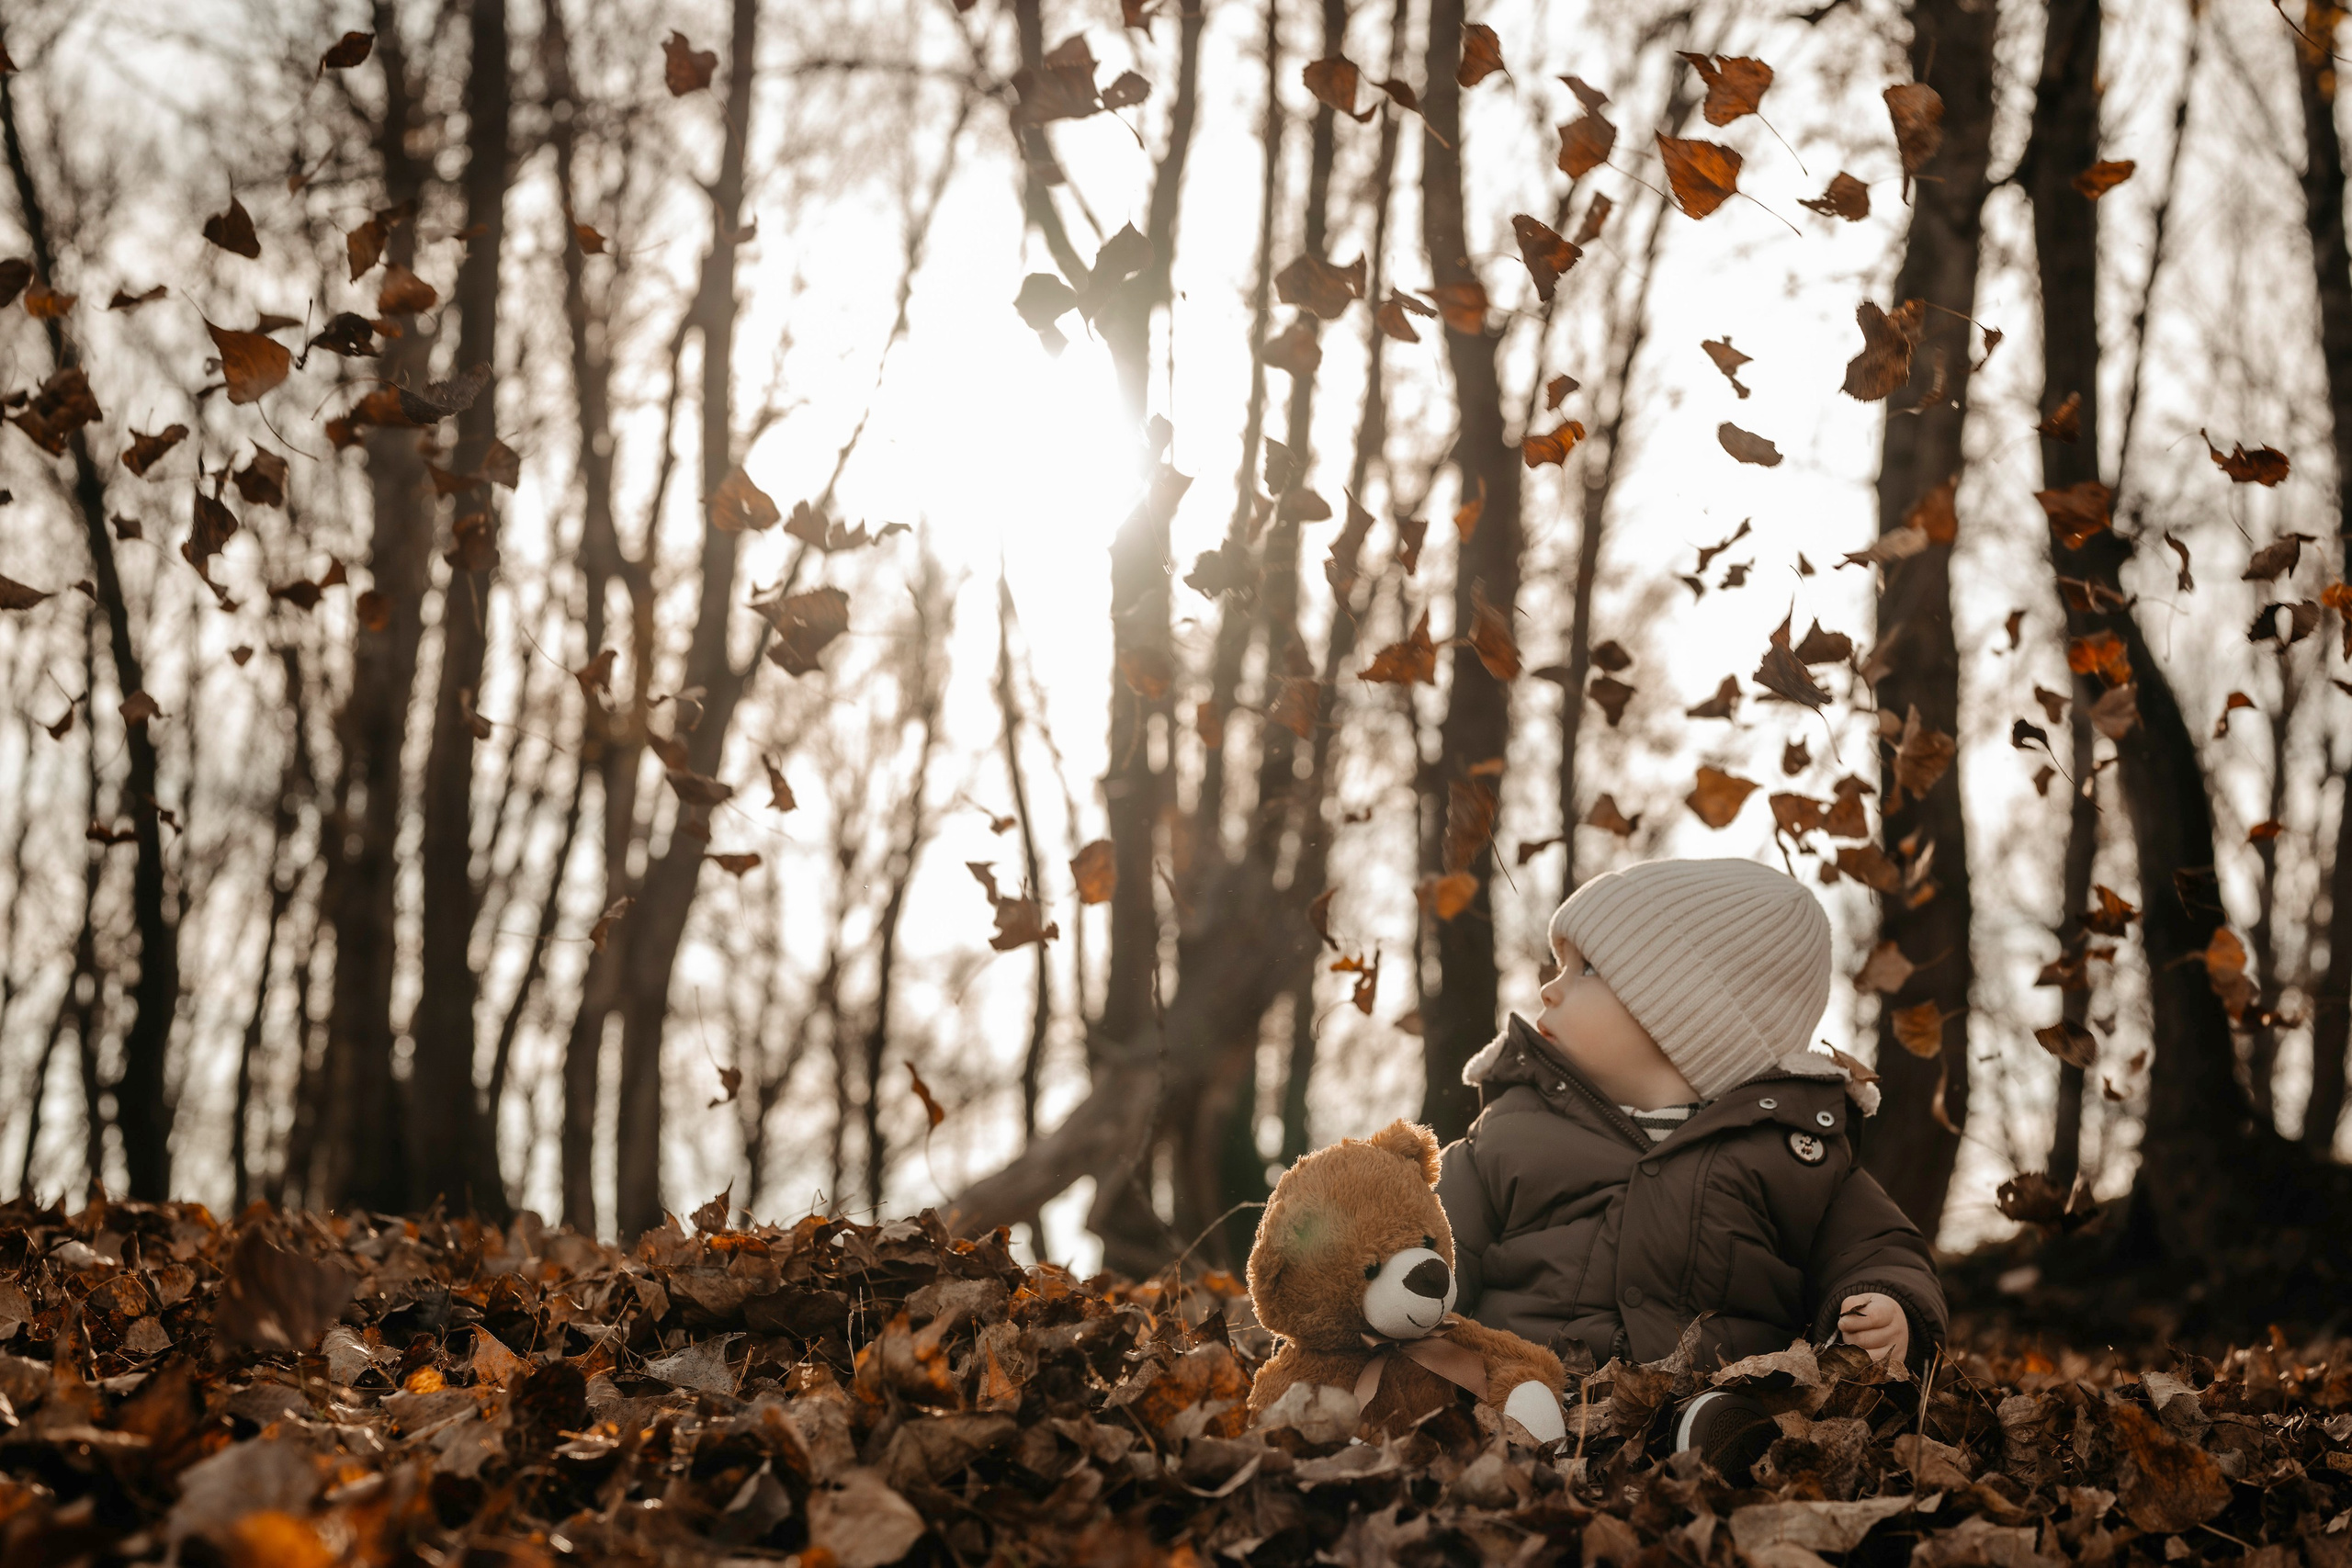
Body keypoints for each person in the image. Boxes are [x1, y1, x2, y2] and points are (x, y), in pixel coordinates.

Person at [1437, 856, 1947, 1477]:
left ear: (1686, 1014)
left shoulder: (1793, 1150)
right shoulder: (1514, 1126)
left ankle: (1719, 1438)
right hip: (1523, 1380)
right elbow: (1438, 1232)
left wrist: (1886, 1302)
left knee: (1741, 1407)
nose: (1550, 985)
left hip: (1696, 1392)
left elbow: (1878, 1248)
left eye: (1588, 968)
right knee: (1440, 1370)